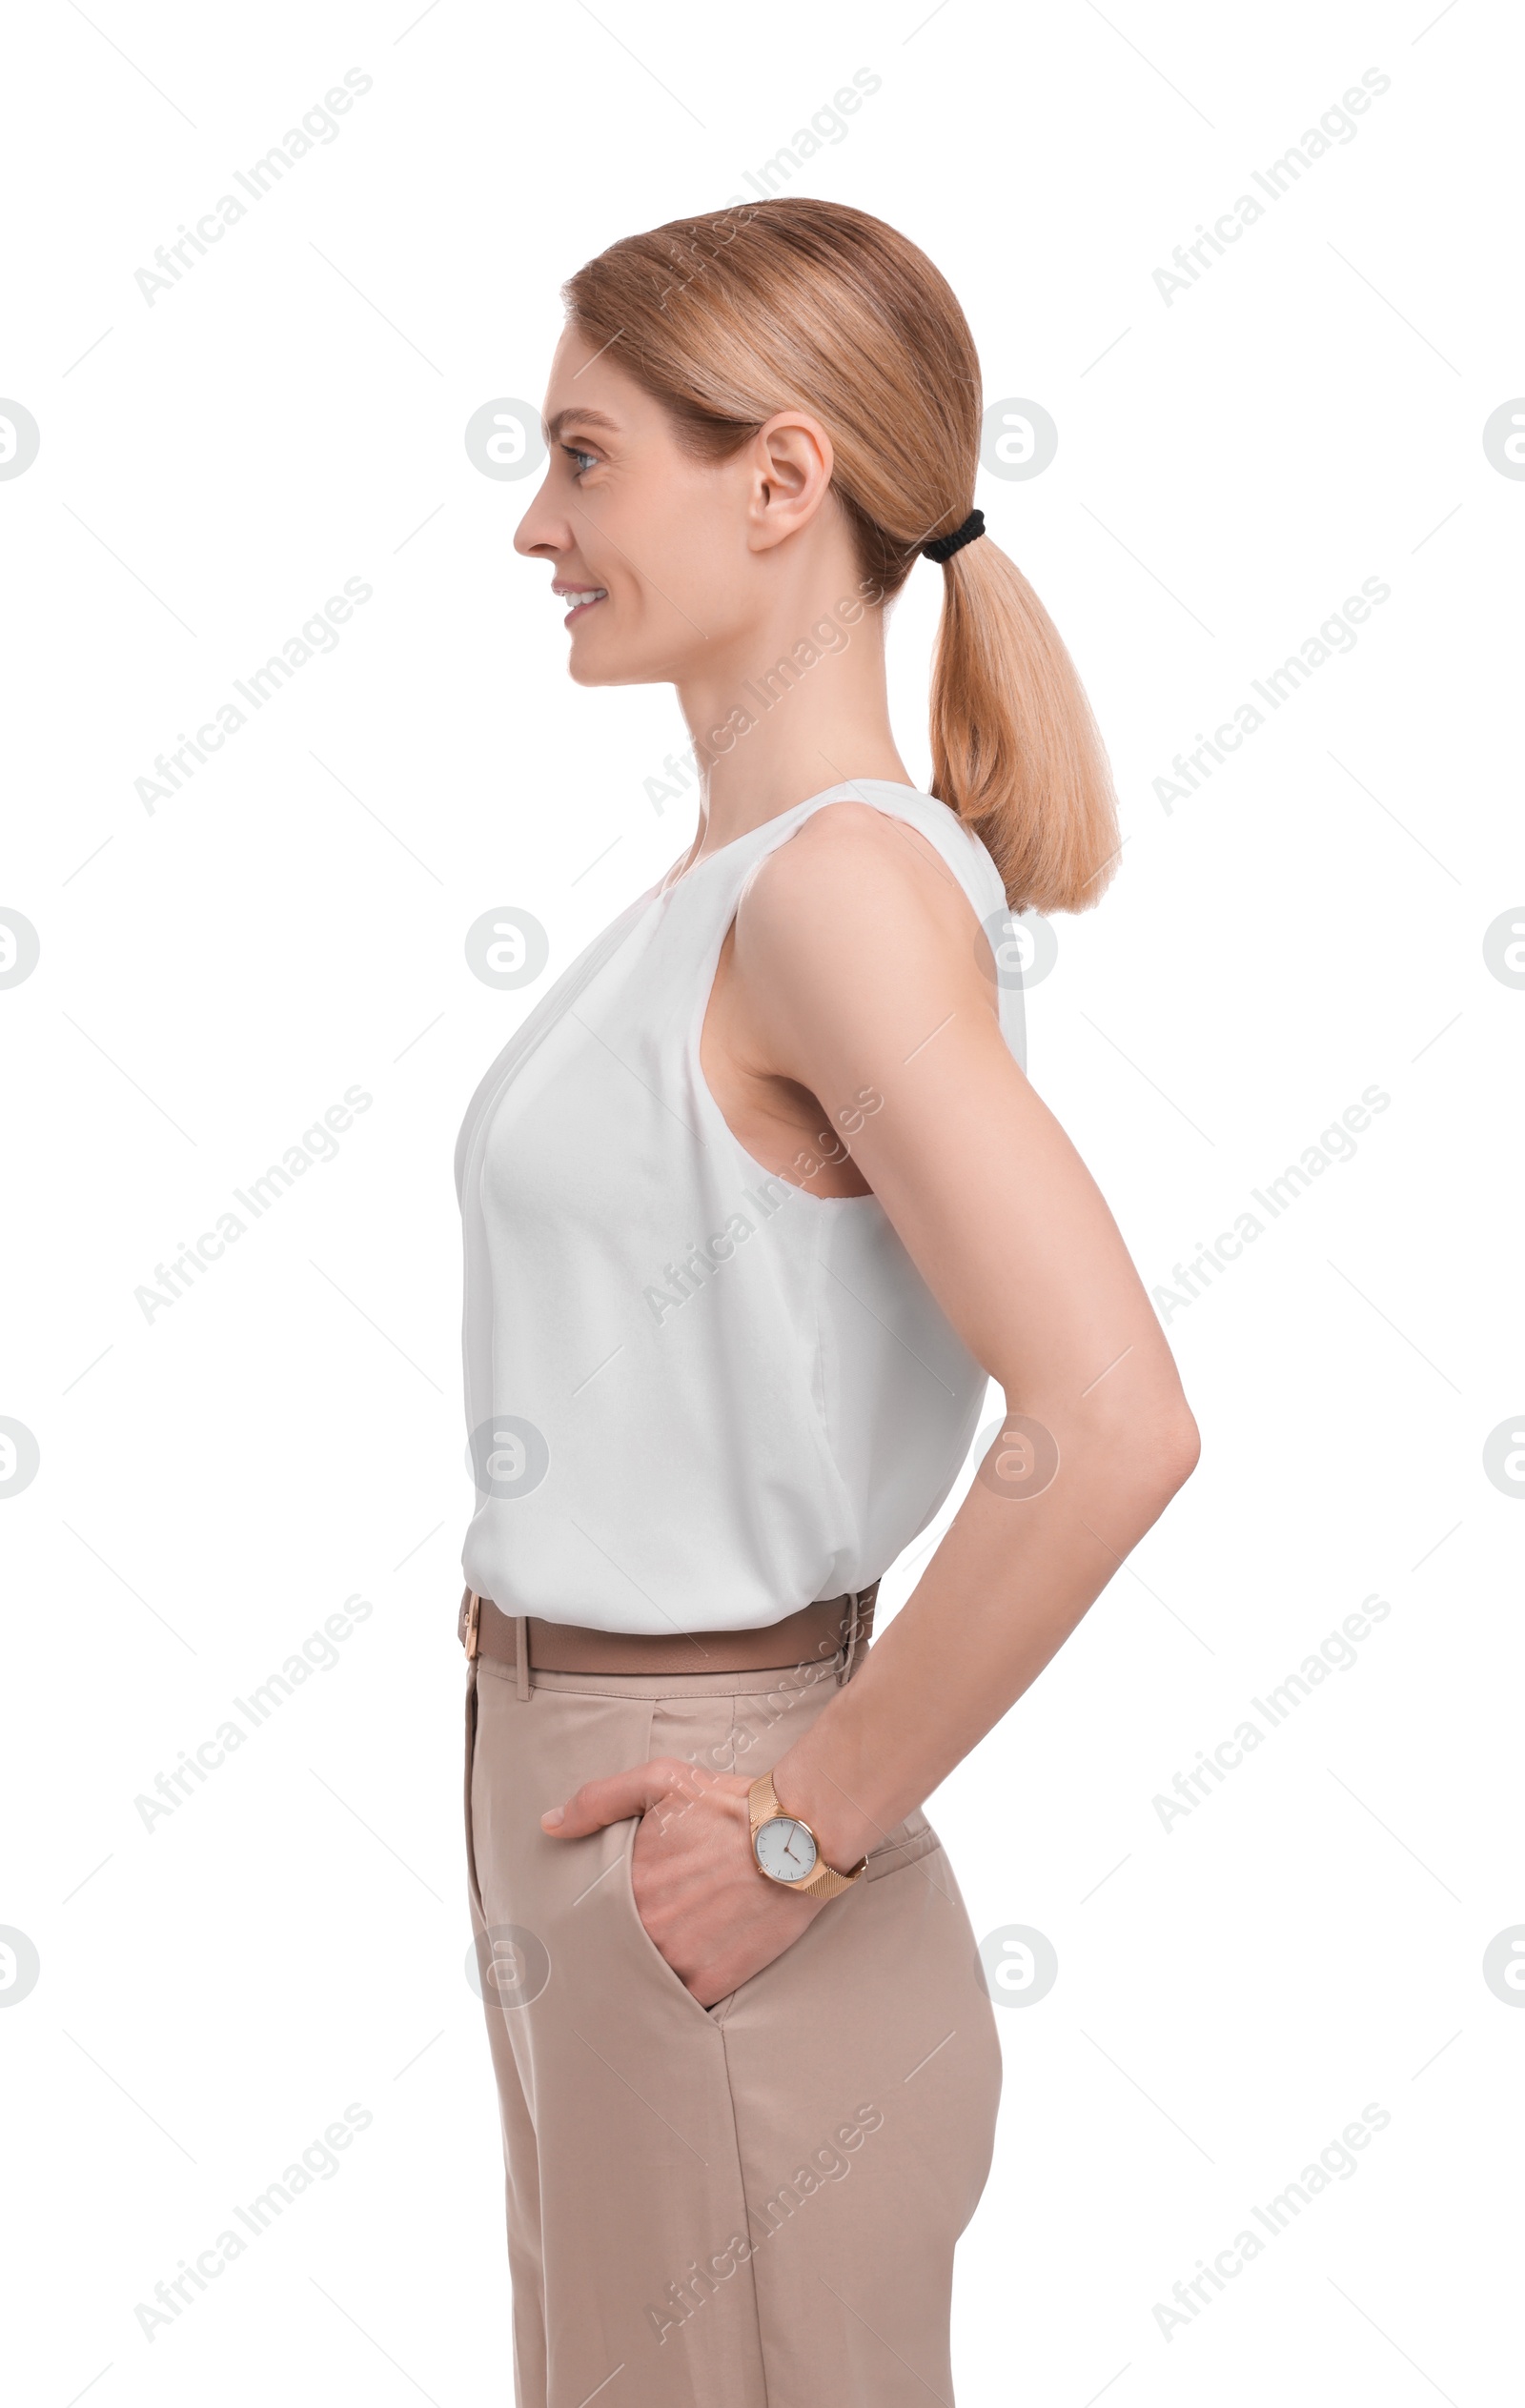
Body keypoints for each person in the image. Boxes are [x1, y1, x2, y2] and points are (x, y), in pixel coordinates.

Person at [455, 196, 1199, 2408]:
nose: (534, 524)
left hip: (709, 1822)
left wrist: (796, 1833)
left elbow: (1111, 1418)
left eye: (585, 458)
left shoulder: (835, 896)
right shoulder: (734, 888)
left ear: (778, 482)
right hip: (598, 1807)